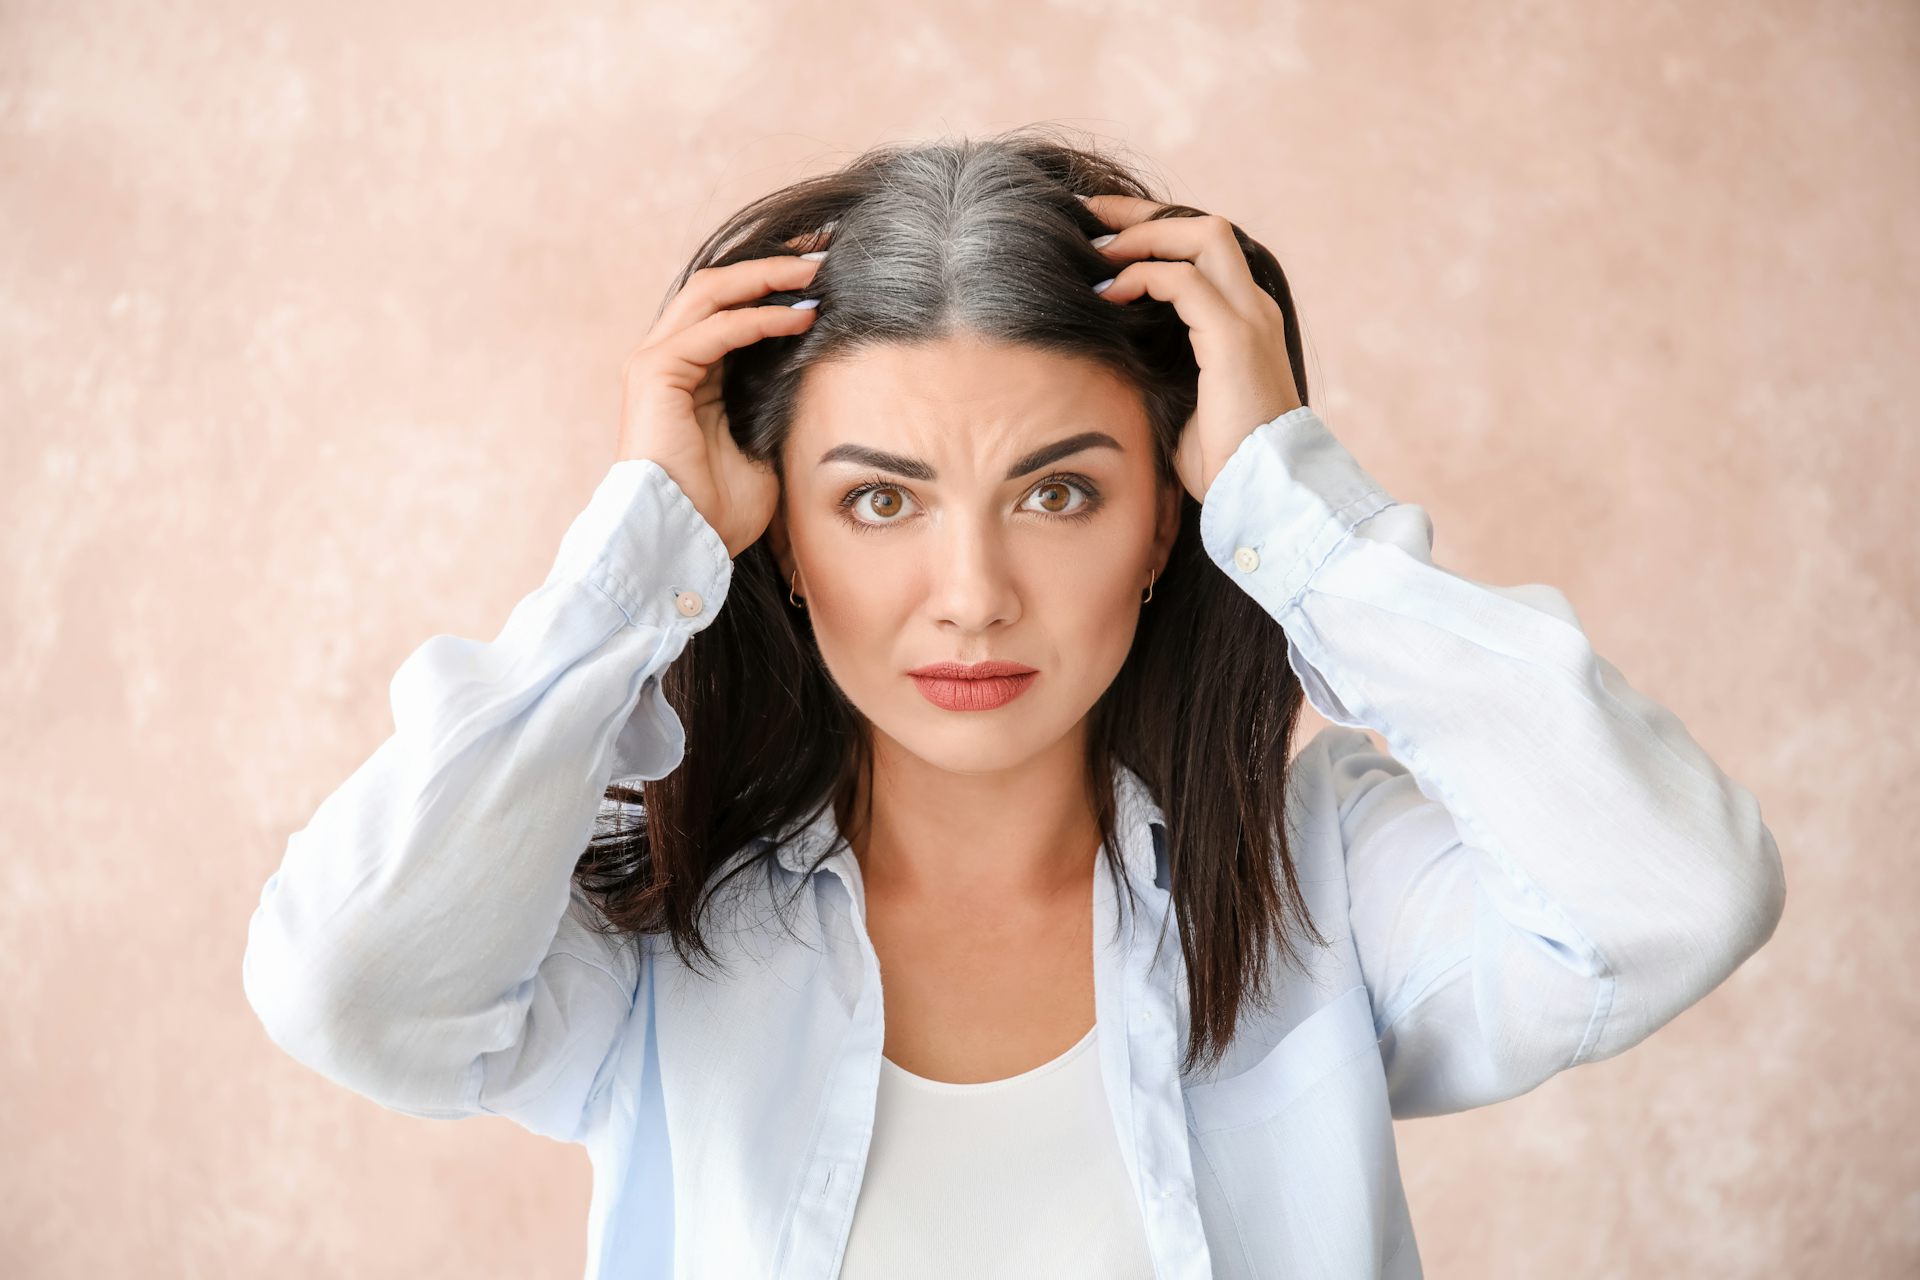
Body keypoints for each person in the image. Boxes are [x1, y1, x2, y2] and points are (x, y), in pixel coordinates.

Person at [240, 128, 1787, 1280]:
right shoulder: (651, 921)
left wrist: (1296, 518)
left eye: (1056, 492)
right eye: (878, 501)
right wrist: (640, 551)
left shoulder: (1325, 888)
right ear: (771, 533)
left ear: (1172, 517)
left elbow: (1675, 897)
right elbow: (348, 989)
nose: (970, 591)